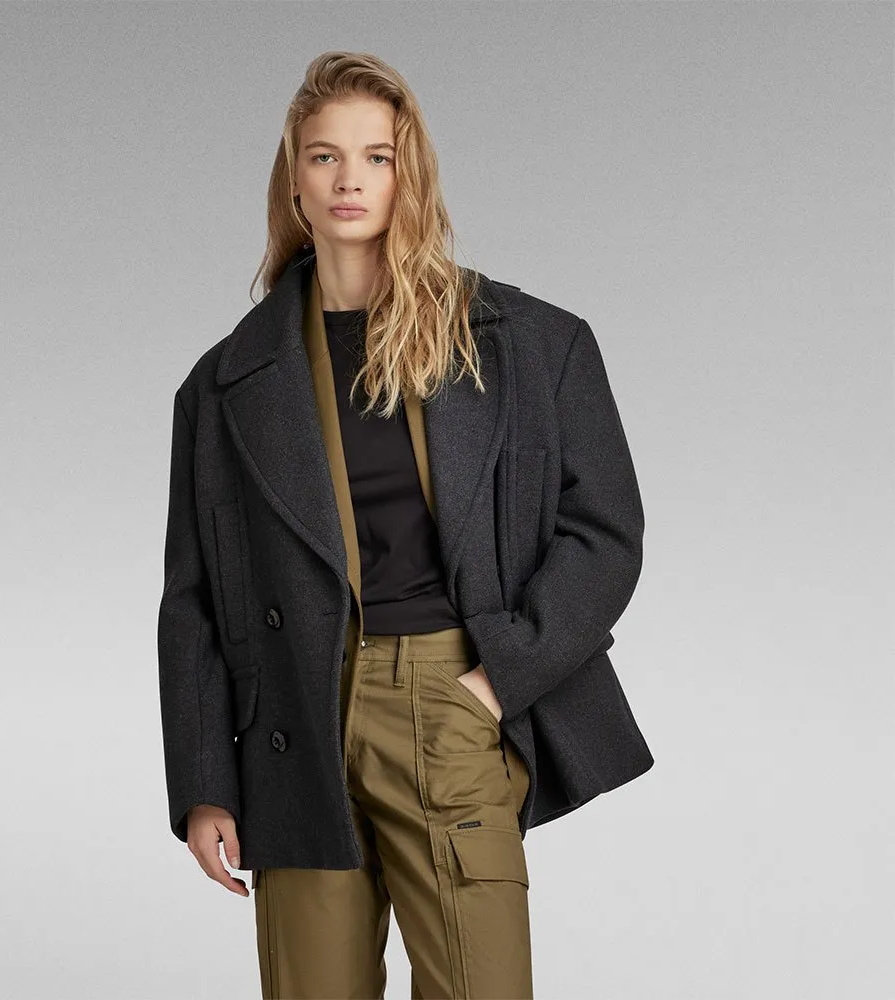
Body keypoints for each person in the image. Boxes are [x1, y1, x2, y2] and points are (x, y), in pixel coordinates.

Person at [157, 50, 653, 1000]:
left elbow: (605, 533)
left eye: (376, 157)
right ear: (293, 181)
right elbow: (195, 600)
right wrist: (204, 782)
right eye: (324, 156)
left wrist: (497, 680)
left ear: (408, 173)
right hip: (293, 723)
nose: (349, 180)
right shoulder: (221, 386)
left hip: (450, 701)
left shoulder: (530, 344)